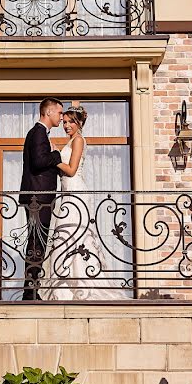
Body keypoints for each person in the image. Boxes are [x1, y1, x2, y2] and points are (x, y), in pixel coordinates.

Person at [41, 105, 127, 301]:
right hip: (66, 192)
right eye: (64, 122)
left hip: (75, 191)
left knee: (74, 234)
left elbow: (71, 170)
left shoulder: (78, 140)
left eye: (71, 122)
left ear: (79, 123)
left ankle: (81, 285)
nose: (67, 126)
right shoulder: (70, 141)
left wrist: (53, 158)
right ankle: (65, 287)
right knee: (65, 235)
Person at [18, 97, 63, 300]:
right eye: (59, 113)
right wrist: (56, 155)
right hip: (37, 198)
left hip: (40, 197)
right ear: (48, 112)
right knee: (36, 242)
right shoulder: (38, 133)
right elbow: (38, 162)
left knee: (38, 242)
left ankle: (32, 288)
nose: (61, 118)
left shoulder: (40, 133)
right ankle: (30, 292)